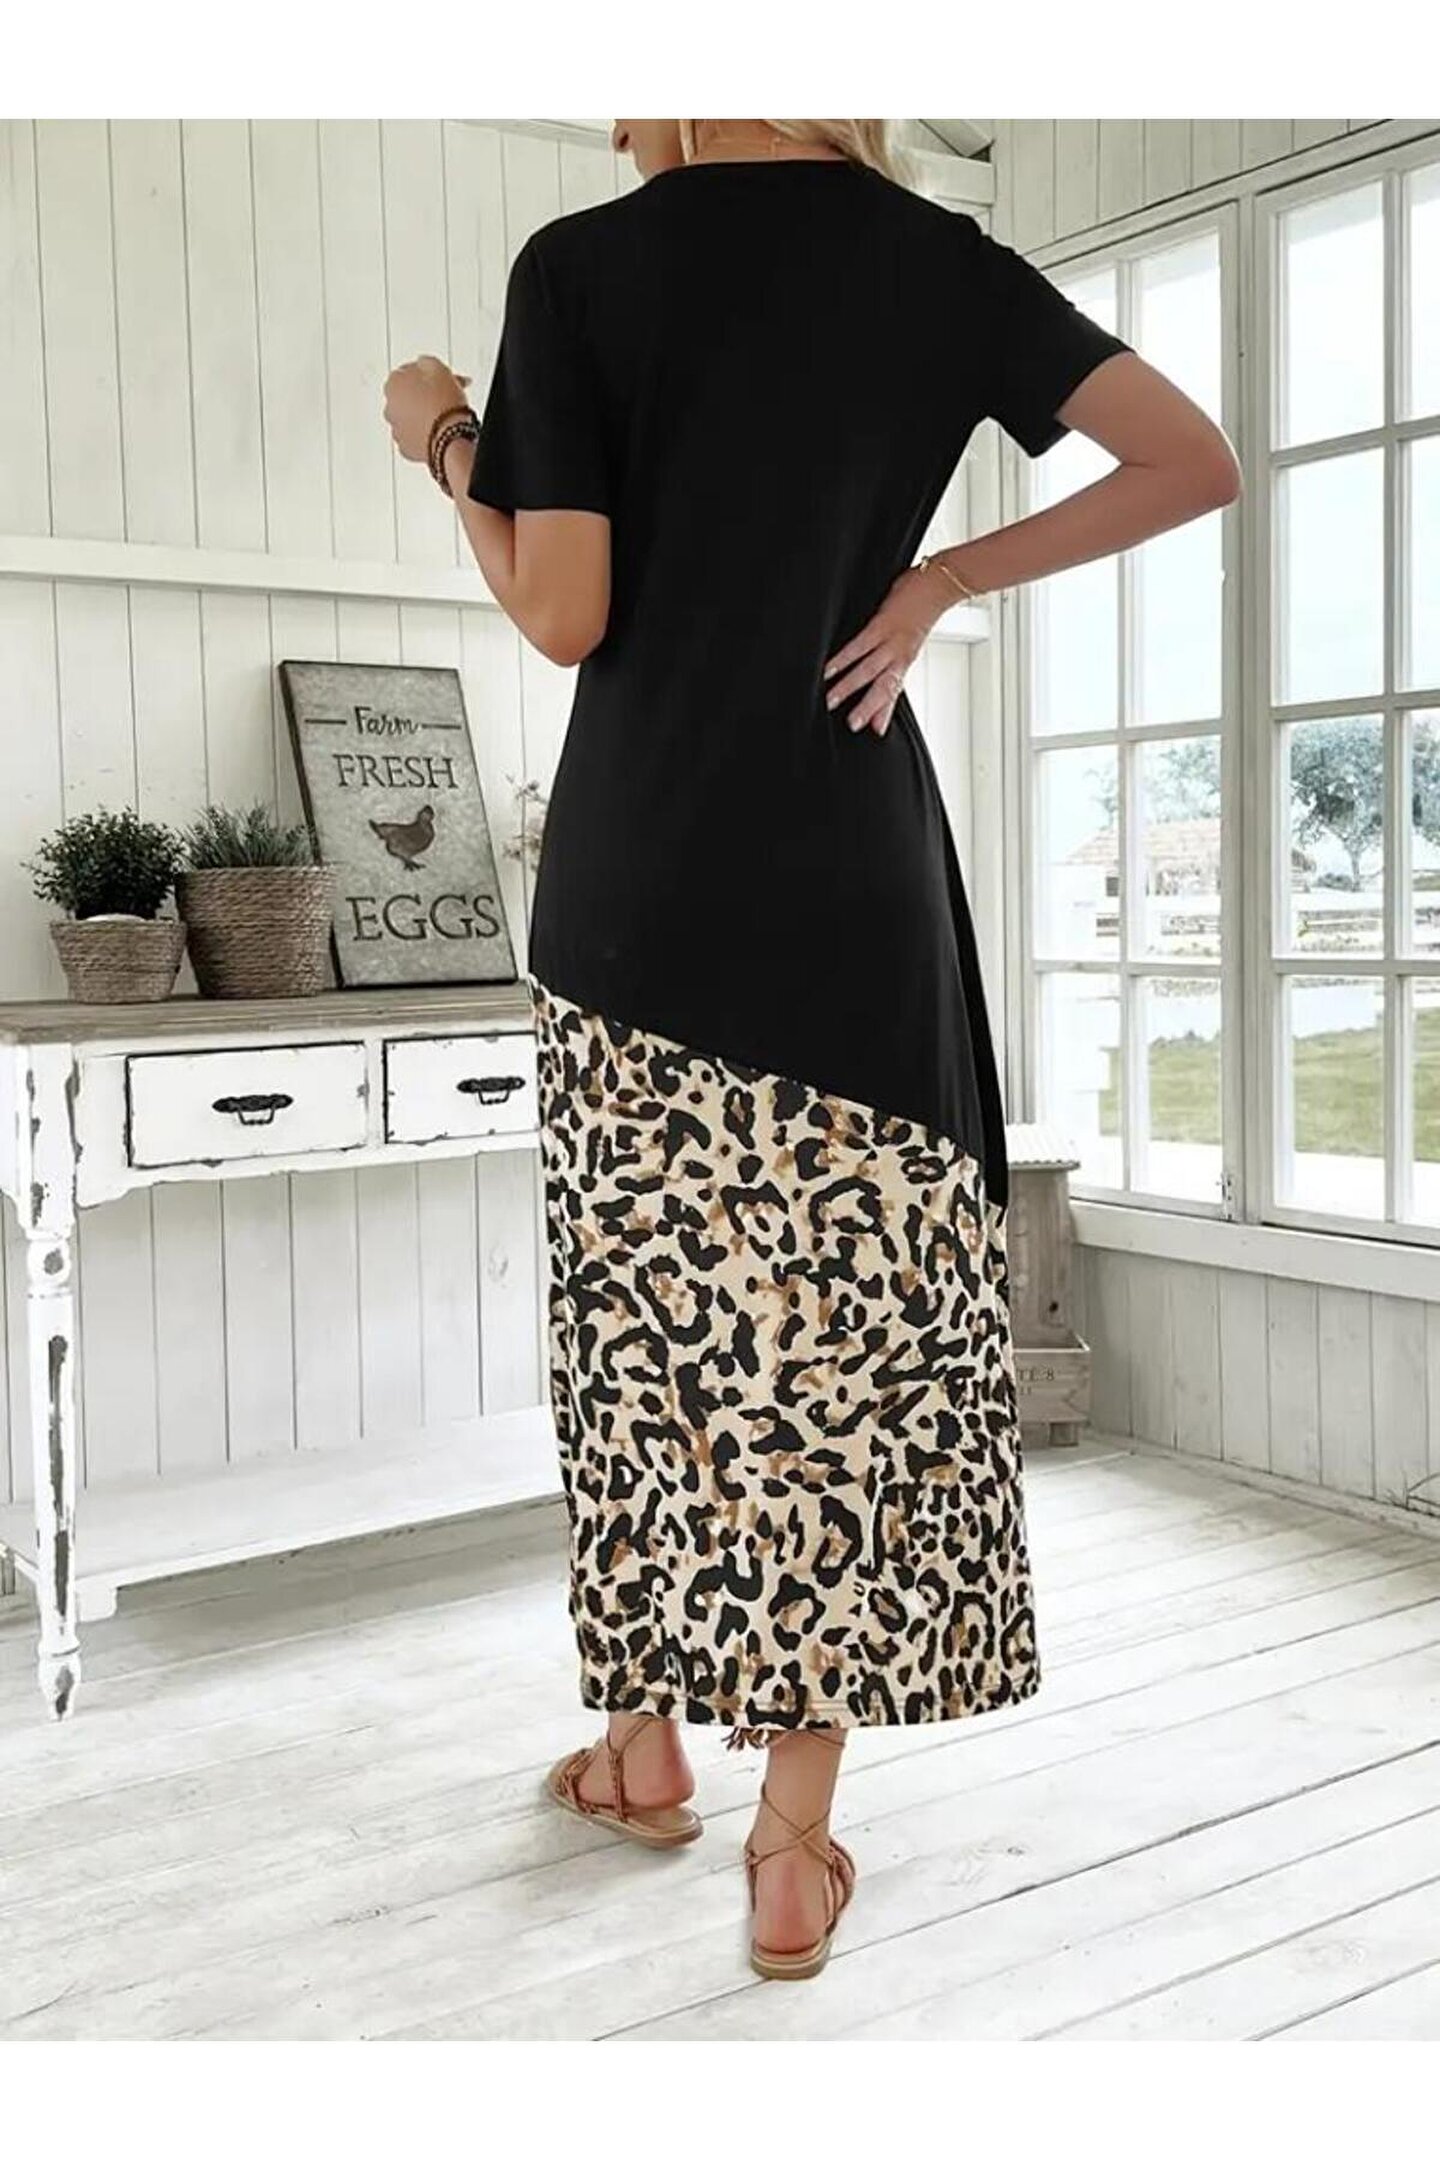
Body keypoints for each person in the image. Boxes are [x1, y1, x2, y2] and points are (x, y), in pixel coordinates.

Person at [383, 116, 1241, 1983]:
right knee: (838, 1349)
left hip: (640, 893)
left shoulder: (580, 269)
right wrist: (939, 584)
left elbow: (564, 613)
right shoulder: (936, 262)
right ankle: (788, 1844)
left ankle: (642, 1745)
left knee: (651, 1333)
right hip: (850, 877)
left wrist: (447, 442)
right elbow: (1196, 460)